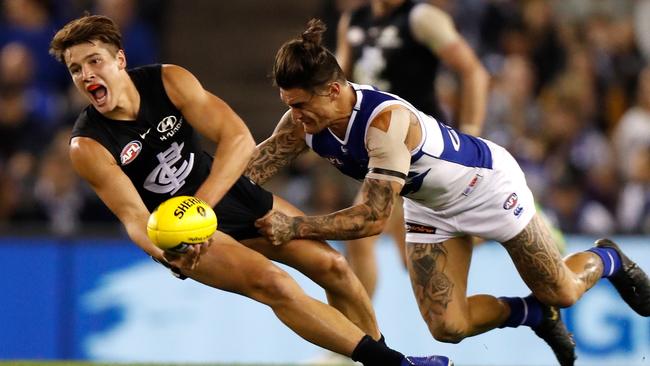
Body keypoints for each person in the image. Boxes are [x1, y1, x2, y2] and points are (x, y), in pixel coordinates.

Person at [49, 14, 452, 366]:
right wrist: (168, 249)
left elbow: (238, 139)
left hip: (220, 194)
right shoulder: (88, 146)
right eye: (75, 69)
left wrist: (201, 205)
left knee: (335, 268)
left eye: (94, 61)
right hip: (182, 234)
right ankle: (395, 363)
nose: (86, 75)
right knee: (273, 284)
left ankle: (377, 362)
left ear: (119, 60)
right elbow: (134, 218)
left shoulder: (169, 80)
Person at [250, 19, 650, 366]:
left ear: (334, 90)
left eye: (301, 105)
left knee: (563, 291)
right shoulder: (302, 122)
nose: (297, 116)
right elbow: (255, 167)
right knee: (448, 327)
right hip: (429, 206)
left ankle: (609, 258)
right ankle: (533, 314)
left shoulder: (386, 124)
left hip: (487, 188)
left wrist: (296, 226)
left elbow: (372, 218)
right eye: (290, 105)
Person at [336, 0, 489, 298]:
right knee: (411, 259)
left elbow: (474, 72)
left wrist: (471, 134)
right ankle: (509, 217)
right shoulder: (353, 20)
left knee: (360, 232)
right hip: (383, 151)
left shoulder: (420, 18)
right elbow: (339, 83)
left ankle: (355, 337)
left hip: (422, 149)